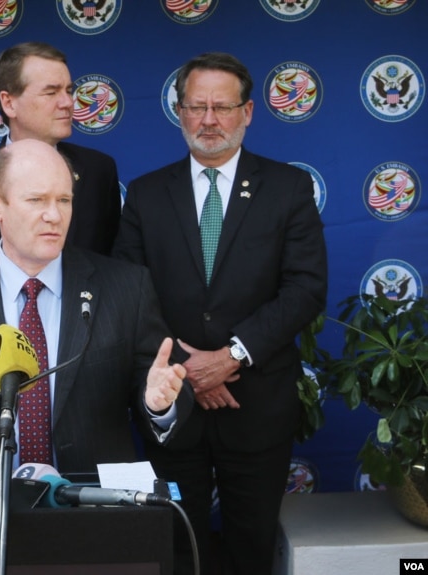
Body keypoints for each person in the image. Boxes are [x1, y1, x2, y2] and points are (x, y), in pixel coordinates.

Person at [112, 52, 328, 575]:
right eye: (197, 106)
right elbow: (129, 291)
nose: (209, 120)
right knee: (176, 549)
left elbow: (306, 288)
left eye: (222, 107)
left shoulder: (288, 189)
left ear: (248, 112)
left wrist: (232, 356)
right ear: (180, 111)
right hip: (174, 407)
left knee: (251, 549)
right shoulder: (145, 194)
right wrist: (193, 369)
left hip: (256, 407)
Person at [0, 139, 192, 477]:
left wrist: (158, 404)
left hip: (93, 507)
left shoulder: (126, 288)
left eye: (64, 200)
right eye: (36, 200)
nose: (54, 215)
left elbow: (164, 384)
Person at [0, 42, 121, 278]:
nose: (67, 103)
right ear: (9, 103)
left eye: (68, 90)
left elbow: (115, 272)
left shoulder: (99, 172)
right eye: (51, 92)